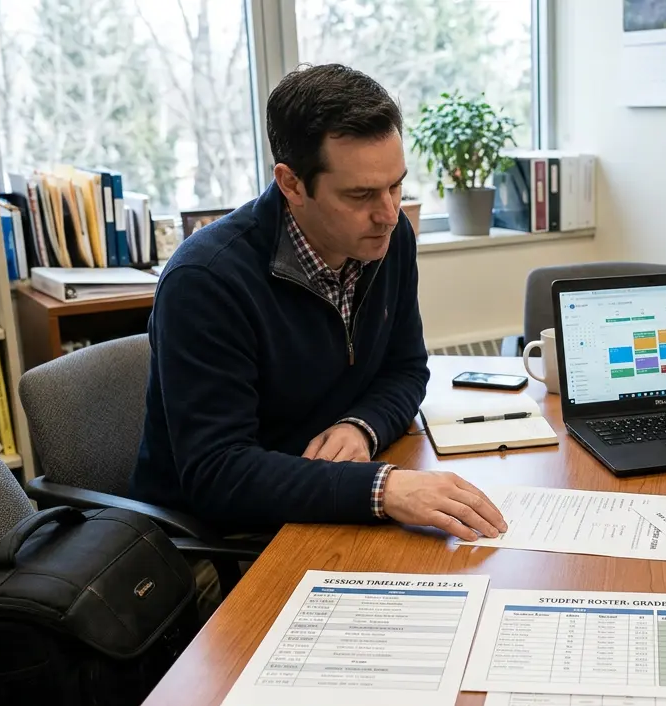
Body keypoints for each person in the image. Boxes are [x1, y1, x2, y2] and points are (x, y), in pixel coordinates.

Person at [130, 64, 508, 553]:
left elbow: (406, 368)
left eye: (396, 186)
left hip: (327, 510)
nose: (389, 213)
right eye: (360, 194)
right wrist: (383, 489)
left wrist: (361, 426)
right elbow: (217, 473)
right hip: (220, 542)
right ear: (291, 184)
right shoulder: (206, 280)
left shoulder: (388, 240)